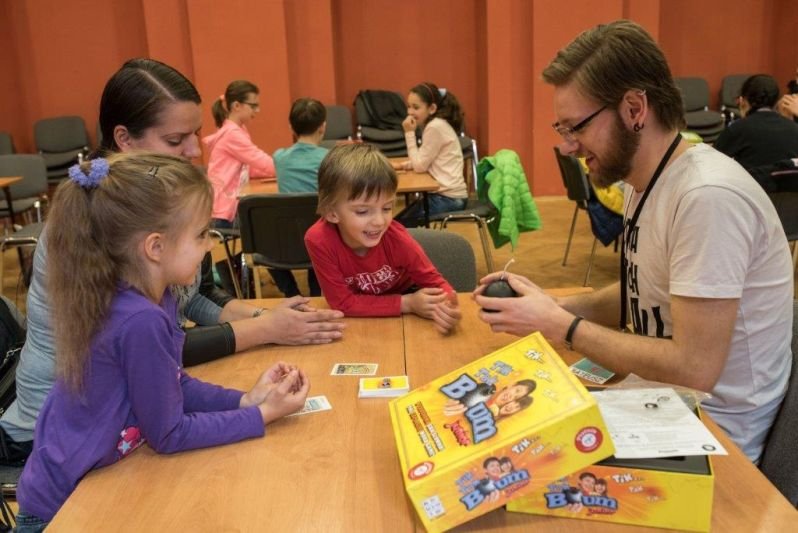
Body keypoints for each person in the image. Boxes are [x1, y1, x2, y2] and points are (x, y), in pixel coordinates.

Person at [475, 20, 793, 463]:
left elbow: (694, 368)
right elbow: (645, 290)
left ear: (633, 108)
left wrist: (562, 327)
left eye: (575, 128)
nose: (567, 147)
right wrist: (557, 306)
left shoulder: (707, 198)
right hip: (662, 403)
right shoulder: (642, 183)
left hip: (714, 439)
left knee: (513, 461)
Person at [0, 59, 344, 466]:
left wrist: (262, 317)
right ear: (124, 139)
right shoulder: (97, 228)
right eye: (176, 138)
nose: (194, 150)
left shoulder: (158, 217)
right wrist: (264, 329)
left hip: (123, 424)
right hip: (66, 443)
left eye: (195, 134)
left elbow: (192, 299)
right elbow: (157, 350)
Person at [14, 153, 310, 529]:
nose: (209, 246)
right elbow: (169, 433)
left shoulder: (156, 297)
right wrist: (262, 415)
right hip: (62, 510)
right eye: (201, 234)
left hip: (95, 486)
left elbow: (173, 383)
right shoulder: (140, 319)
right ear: (155, 247)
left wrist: (244, 400)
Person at [305, 143, 461, 333]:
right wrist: (407, 304)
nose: (380, 221)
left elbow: (438, 285)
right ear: (331, 213)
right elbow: (343, 303)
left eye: (387, 208)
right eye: (363, 211)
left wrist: (448, 308)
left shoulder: (398, 239)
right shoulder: (318, 240)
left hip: (403, 312)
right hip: (362, 320)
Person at [270, 97, 330, 297]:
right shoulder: (330, 159)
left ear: (291, 127)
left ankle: (292, 293)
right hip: (322, 241)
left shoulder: (279, 157)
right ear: (322, 127)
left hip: (282, 242)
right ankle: (315, 293)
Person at [393, 82, 468, 226]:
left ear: (432, 108)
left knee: (396, 227)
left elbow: (420, 165)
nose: (410, 112)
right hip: (447, 197)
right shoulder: (436, 125)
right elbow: (425, 158)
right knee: (397, 225)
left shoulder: (434, 127)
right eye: (408, 106)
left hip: (448, 199)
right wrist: (404, 165)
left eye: (416, 107)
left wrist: (409, 133)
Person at [203, 80, 276, 228]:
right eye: (253, 106)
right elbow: (258, 159)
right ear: (236, 106)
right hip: (223, 212)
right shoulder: (232, 133)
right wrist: (285, 167)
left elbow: (249, 165)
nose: (258, 110)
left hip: (227, 208)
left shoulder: (238, 129)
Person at [713, 74, 798, 170]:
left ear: (742, 100)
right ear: (776, 101)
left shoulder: (737, 129)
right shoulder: (795, 128)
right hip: (787, 184)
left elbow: (714, 162)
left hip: (751, 183)